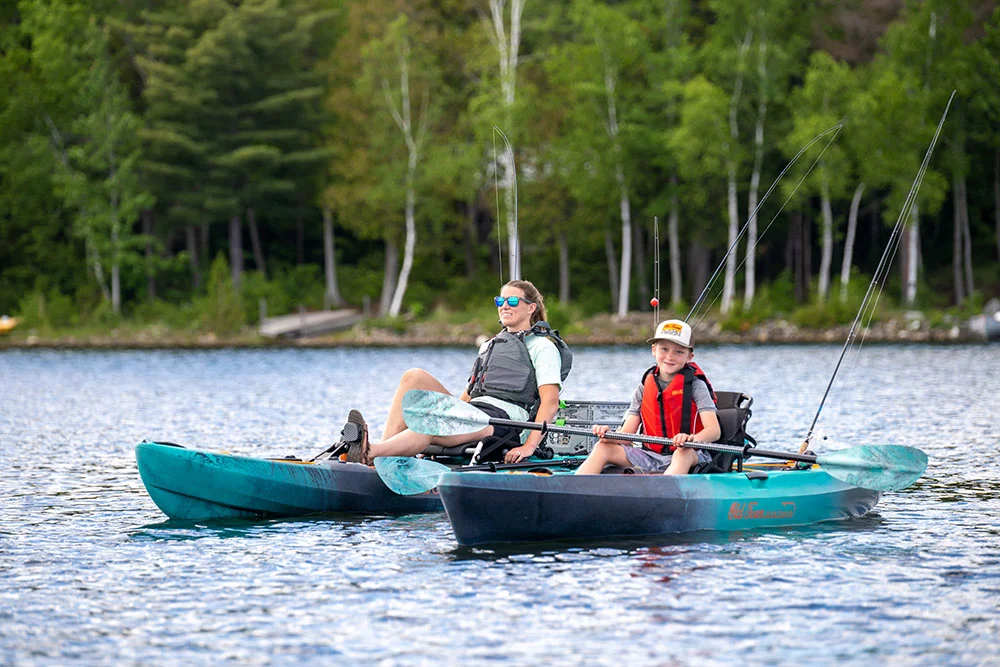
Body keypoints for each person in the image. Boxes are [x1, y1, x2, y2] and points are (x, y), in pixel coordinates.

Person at [335, 279, 570, 466]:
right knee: (414, 377)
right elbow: (469, 394)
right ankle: (385, 456)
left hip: (506, 421)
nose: (505, 305)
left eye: (512, 301)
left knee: (431, 422)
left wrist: (529, 446)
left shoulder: (543, 347)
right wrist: (450, 413)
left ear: (531, 308)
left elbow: (550, 402)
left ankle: (371, 452)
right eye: (500, 300)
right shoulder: (490, 345)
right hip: (474, 410)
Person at [575, 319, 721, 476]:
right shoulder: (644, 387)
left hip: (690, 454)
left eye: (679, 352)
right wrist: (608, 435)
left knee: (681, 454)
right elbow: (626, 436)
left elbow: (714, 431)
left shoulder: (696, 386)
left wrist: (690, 440)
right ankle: (573, 489)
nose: (670, 357)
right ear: (654, 350)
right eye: (664, 349)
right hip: (651, 455)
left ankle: (662, 494)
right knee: (602, 447)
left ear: (689, 356)